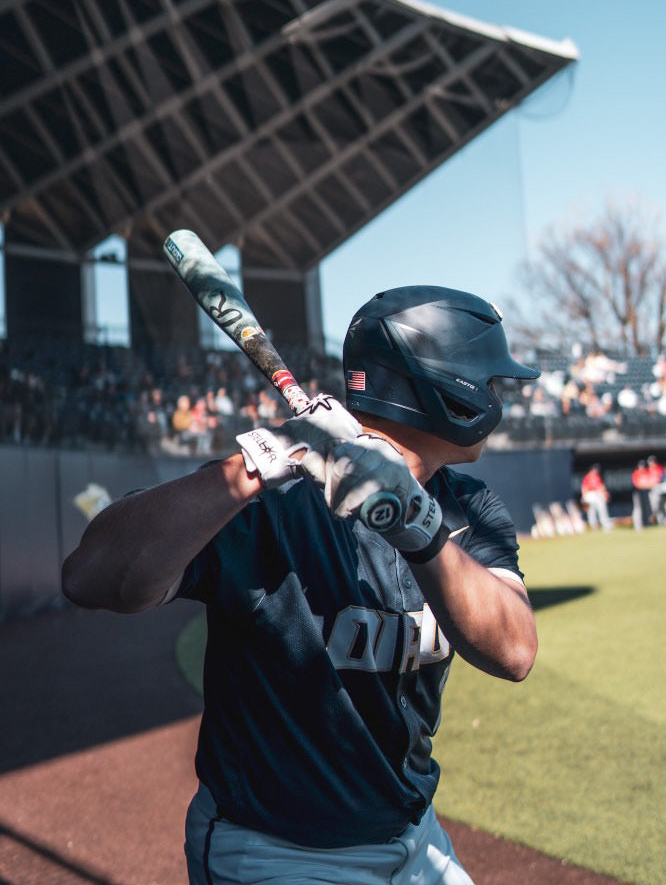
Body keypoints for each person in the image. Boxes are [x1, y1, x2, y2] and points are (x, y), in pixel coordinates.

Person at [62, 286, 540, 885]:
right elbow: (92, 576)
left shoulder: (465, 504)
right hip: (276, 850)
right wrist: (260, 462)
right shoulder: (272, 502)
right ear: (449, 388)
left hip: (415, 834)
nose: (501, 397)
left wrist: (418, 524)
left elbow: (514, 650)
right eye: (491, 383)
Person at [580, 463, 612, 531]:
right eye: (595, 469)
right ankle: (600, 525)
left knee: (596, 510)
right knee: (596, 510)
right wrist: (604, 493)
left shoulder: (593, 476)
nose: (596, 471)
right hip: (592, 494)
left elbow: (599, 486)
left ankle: (600, 525)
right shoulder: (590, 476)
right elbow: (586, 487)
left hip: (593, 494)